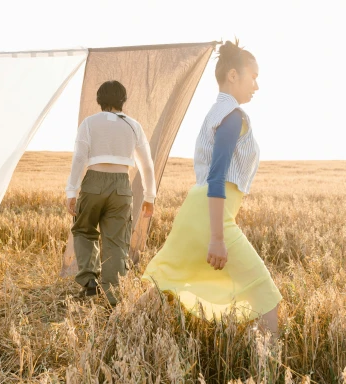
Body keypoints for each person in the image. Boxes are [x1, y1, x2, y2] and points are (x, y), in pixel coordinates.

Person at [142, 40, 282, 336]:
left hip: (195, 211)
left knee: (164, 285)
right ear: (233, 75)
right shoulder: (233, 117)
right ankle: (271, 374)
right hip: (210, 214)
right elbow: (218, 178)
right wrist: (217, 238)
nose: (256, 85)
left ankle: (115, 332)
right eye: (253, 76)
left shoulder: (214, 113)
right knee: (265, 294)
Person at [65, 80, 155, 306]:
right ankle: (113, 295)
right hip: (122, 185)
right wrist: (149, 196)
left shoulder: (89, 123)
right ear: (123, 100)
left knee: (84, 229)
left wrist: (71, 190)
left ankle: (89, 284)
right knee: (116, 241)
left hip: (94, 180)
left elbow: (79, 157)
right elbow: (146, 164)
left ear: (99, 100)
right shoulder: (134, 125)